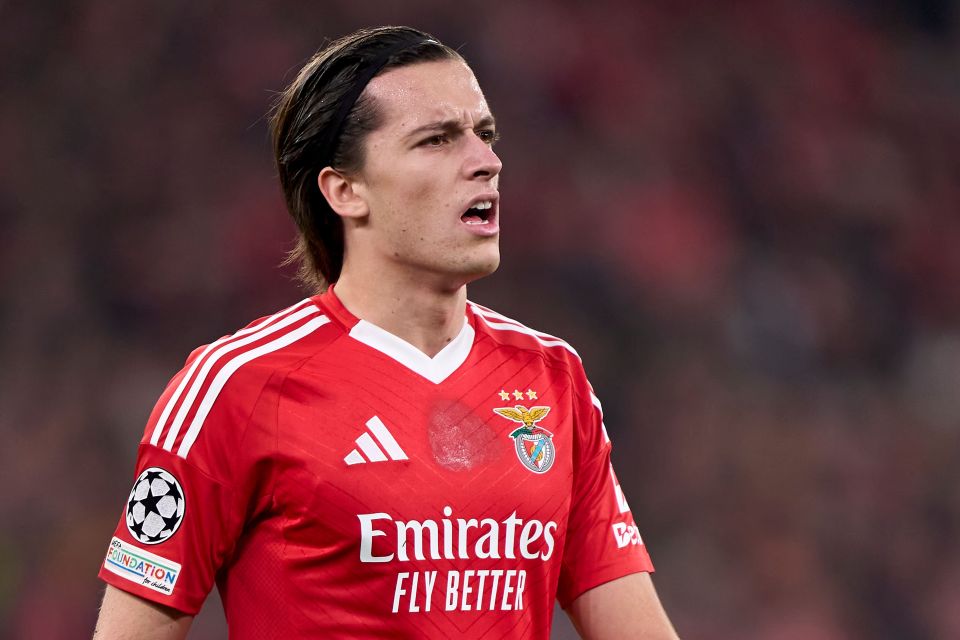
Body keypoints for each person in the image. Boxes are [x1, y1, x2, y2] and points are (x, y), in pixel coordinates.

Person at [92, 26, 679, 640]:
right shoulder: (236, 387)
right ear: (345, 191)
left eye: (484, 134)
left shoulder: (551, 377)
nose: (487, 161)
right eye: (437, 140)